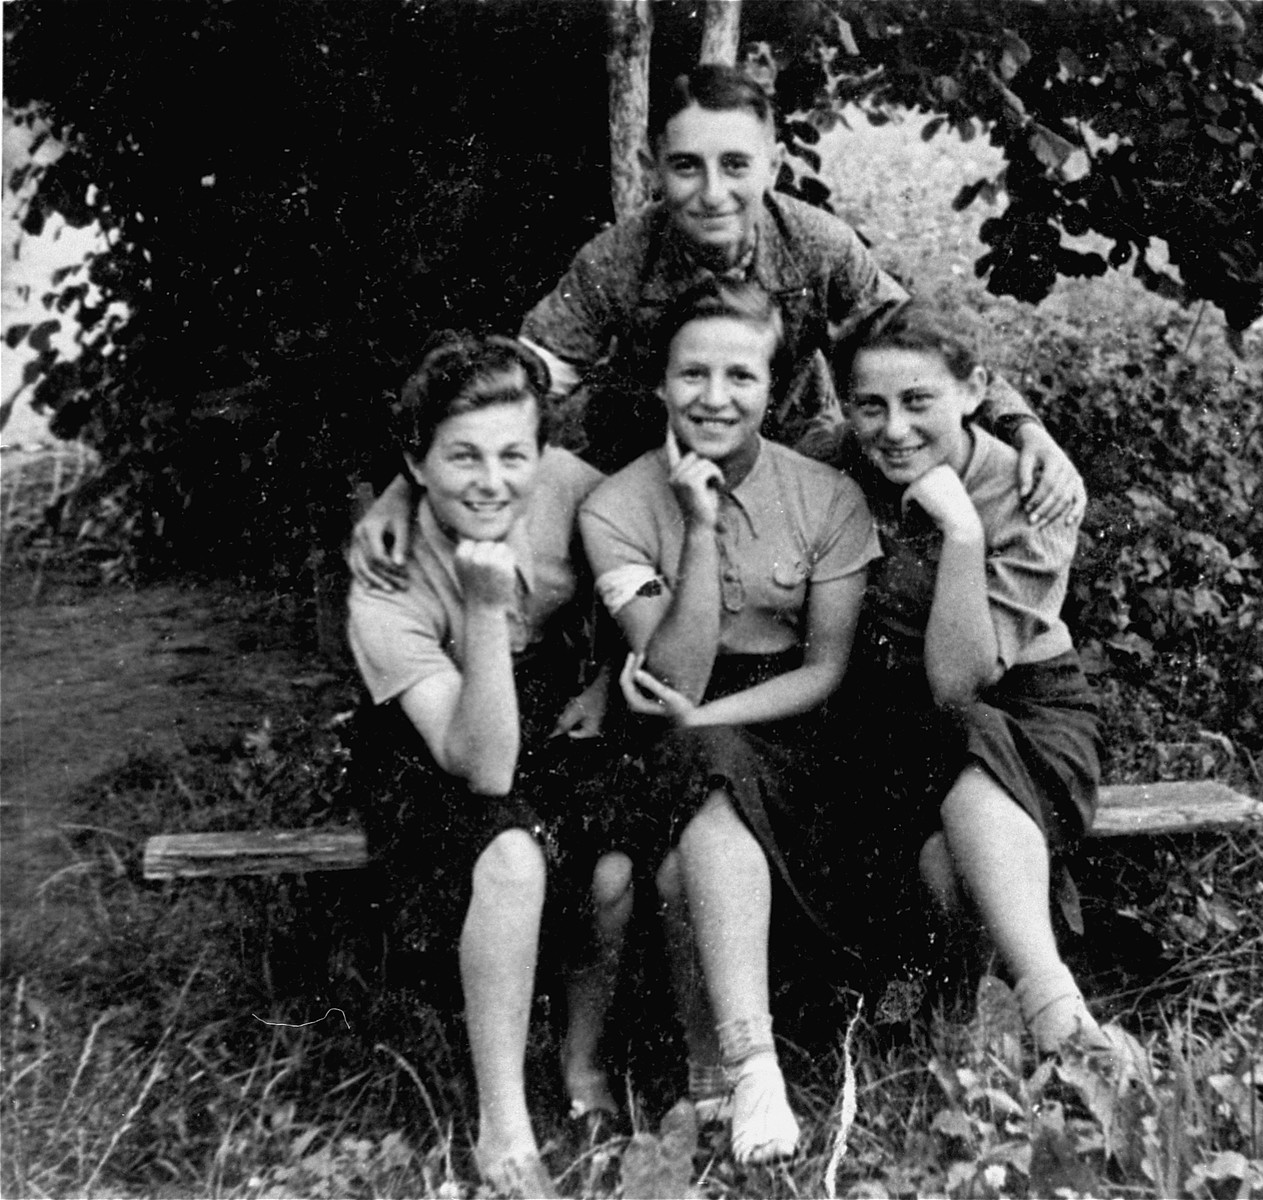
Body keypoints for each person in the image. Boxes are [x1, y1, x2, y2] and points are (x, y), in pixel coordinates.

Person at [348, 64, 1082, 593]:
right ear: (653, 168)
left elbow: (919, 349)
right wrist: (406, 485)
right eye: (687, 167)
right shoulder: (619, 260)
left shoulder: (817, 245)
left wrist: (1026, 432)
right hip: (655, 459)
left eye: (735, 164)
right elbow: (523, 374)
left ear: (771, 162)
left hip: (801, 457)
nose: (713, 193)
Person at [578, 281, 879, 1163]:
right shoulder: (618, 506)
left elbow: (825, 670)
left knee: (693, 812)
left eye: (740, 376)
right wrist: (699, 529)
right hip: (673, 716)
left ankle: (724, 1071)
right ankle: (750, 1070)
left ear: (773, 387)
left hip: (788, 724)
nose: (716, 397)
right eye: (693, 374)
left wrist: (705, 718)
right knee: (685, 816)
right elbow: (671, 670)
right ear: (660, 385)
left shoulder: (826, 496)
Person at [346, 333, 632, 1199]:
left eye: (514, 455)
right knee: (510, 855)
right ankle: (502, 1123)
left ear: (543, 454)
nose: (491, 480)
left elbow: (643, 557)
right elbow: (484, 770)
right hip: (438, 745)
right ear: (416, 463)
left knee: (614, 868)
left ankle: (581, 1067)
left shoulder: (572, 489)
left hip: (551, 707)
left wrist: (611, 680)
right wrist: (480, 605)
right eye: (461, 457)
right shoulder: (384, 580)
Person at [829, 299, 1147, 1069]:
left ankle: (1053, 1013)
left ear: (974, 393)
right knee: (936, 859)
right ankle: (975, 1024)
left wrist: (963, 532)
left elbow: (960, 684)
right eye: (871, 406)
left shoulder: (1033, 490)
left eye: (919, 402)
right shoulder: (832, 463)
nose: (894, 429)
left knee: (970, 747)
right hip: (894, 717)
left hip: (1025, 708)